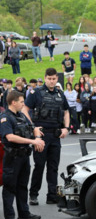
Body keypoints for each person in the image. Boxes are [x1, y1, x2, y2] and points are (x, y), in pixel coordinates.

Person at [22, 68, 70, 205]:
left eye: (54, 78)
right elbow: (25, 110)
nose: (52, 81)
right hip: (41, 135)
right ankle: (33, 195)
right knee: (39, 166)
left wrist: (66, 128)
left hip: (55, 135)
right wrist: (33, 127)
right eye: (49, 78)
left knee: (53, 167)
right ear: (45, 78)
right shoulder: (36, 92)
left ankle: (52, 195)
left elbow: (66, 112)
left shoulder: (60, 93)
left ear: (57, 79)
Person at [1, 91, 45, 219]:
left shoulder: (21, 115)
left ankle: (24, 213)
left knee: (22, 186)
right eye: (21, 101)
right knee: (10, 187)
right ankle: (10, 217)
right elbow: (10, 137)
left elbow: (33, 128)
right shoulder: (5, 118)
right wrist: (32, 142)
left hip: (24, 156)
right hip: (12, 157)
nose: (23, 104)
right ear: (13, 102)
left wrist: (37, 135)